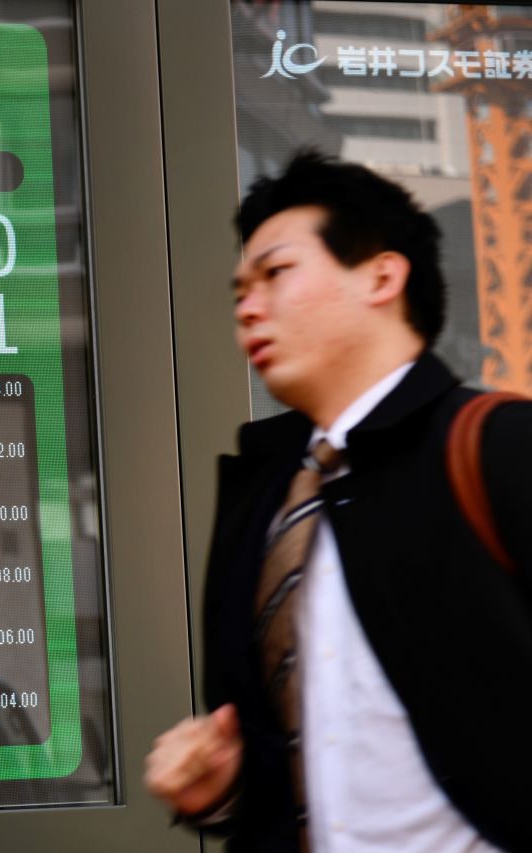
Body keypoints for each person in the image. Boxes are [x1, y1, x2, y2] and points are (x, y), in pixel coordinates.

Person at [144, 151, 532, 852]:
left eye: (277, 273)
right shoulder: (261, 497)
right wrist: (226, 790)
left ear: (383, 275)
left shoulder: (499, 448)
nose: (248, 308)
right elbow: (288, 760)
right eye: (240, 291)